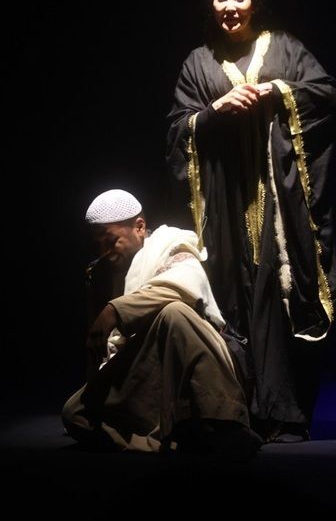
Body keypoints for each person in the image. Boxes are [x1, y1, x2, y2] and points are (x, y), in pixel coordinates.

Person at [166, 0, 336, 442]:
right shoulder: (198, 62)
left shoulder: (284, 48)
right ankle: (240, 412)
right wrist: (213, 112)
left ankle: (287, 413)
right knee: (233, 299)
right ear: (211, 5)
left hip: (280, 205)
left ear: (254, 2)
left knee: (282, 295)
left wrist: (278, 92)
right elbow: (178, 129)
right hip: (225, 209)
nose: (230, 6)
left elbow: (327, 94)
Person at [62, 189, 262, 456]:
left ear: (139, 227)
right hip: (144, 371)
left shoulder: (171, 245)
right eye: (97, 244)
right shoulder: (100, 274)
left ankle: (226, 425)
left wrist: (114, 311)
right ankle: (176, 442)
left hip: (193, 362)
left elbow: (182, 287)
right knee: (75, 413)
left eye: (110, 241)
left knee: (174, 312)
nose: (104, 251)